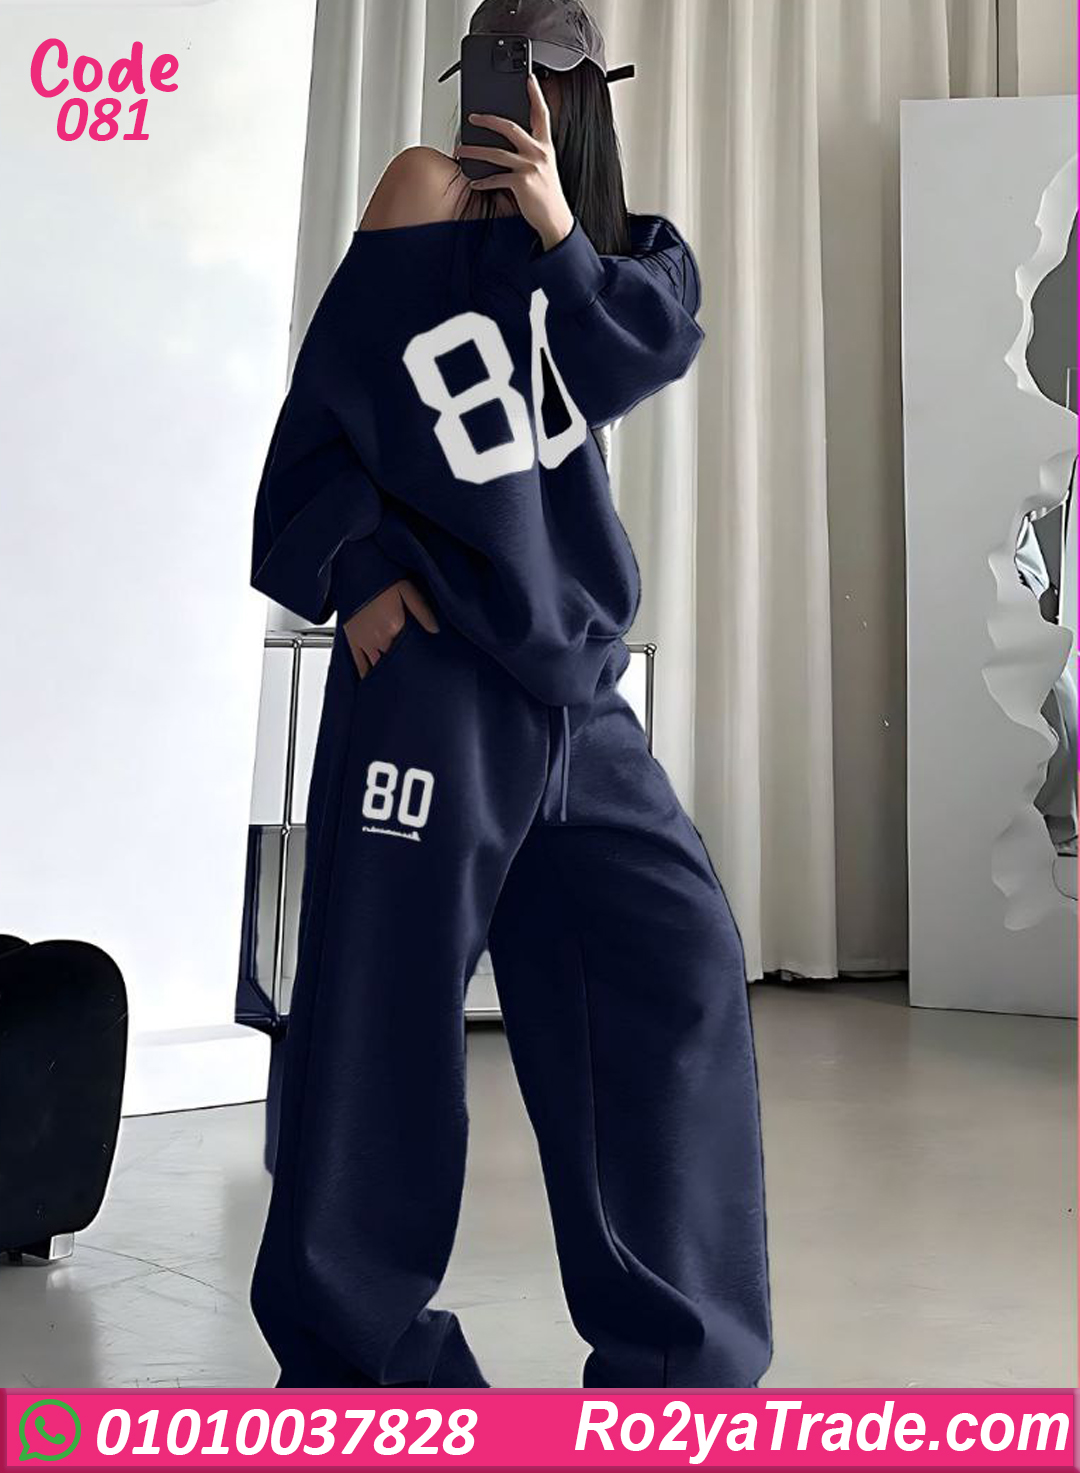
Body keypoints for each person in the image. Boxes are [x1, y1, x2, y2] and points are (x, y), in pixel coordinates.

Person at [248, 0, 772, 1390]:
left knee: (675, 965)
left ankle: (679, 1363)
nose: (509, 96)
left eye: (538, 72)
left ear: (587, 91)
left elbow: (635, 359)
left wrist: (553, 227)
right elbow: (323, 411)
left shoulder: (630, 258)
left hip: (577, 690)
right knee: (380, 1007)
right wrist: (357, 573)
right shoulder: (419, 190)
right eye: (491, 63)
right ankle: (364, 1362)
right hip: (429, 684)